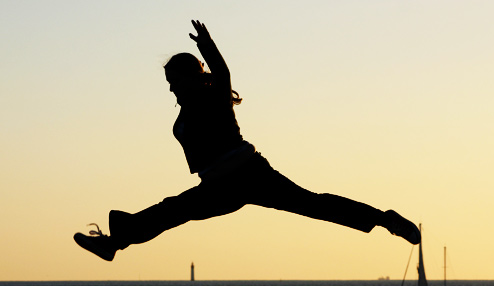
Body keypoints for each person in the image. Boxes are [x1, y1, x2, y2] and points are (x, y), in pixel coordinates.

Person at [74, 20, 420, 262]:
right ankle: (114, 243)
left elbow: (222, 74)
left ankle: (385, 219)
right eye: (168, 82)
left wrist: (208, 48)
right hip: (218, 187)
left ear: (192, 80)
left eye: (174, 81)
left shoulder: (214, 99)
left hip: (251, 175)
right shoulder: (186, 112)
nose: (171, 88)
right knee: (174, 210)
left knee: (313, 204)